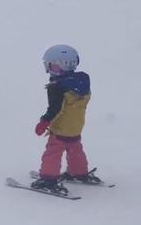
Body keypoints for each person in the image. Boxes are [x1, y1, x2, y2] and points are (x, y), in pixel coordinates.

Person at [31, 45, 100, 194]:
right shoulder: (83, 81)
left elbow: (55, 108)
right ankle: (78, 172)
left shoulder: (56, 87)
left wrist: (44, 122)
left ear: (64, 65)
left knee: (53, 152)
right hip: (76, 127)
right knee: (75, 148)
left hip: (61, 128)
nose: (50, 71)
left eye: (53, 67)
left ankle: (48, 179)